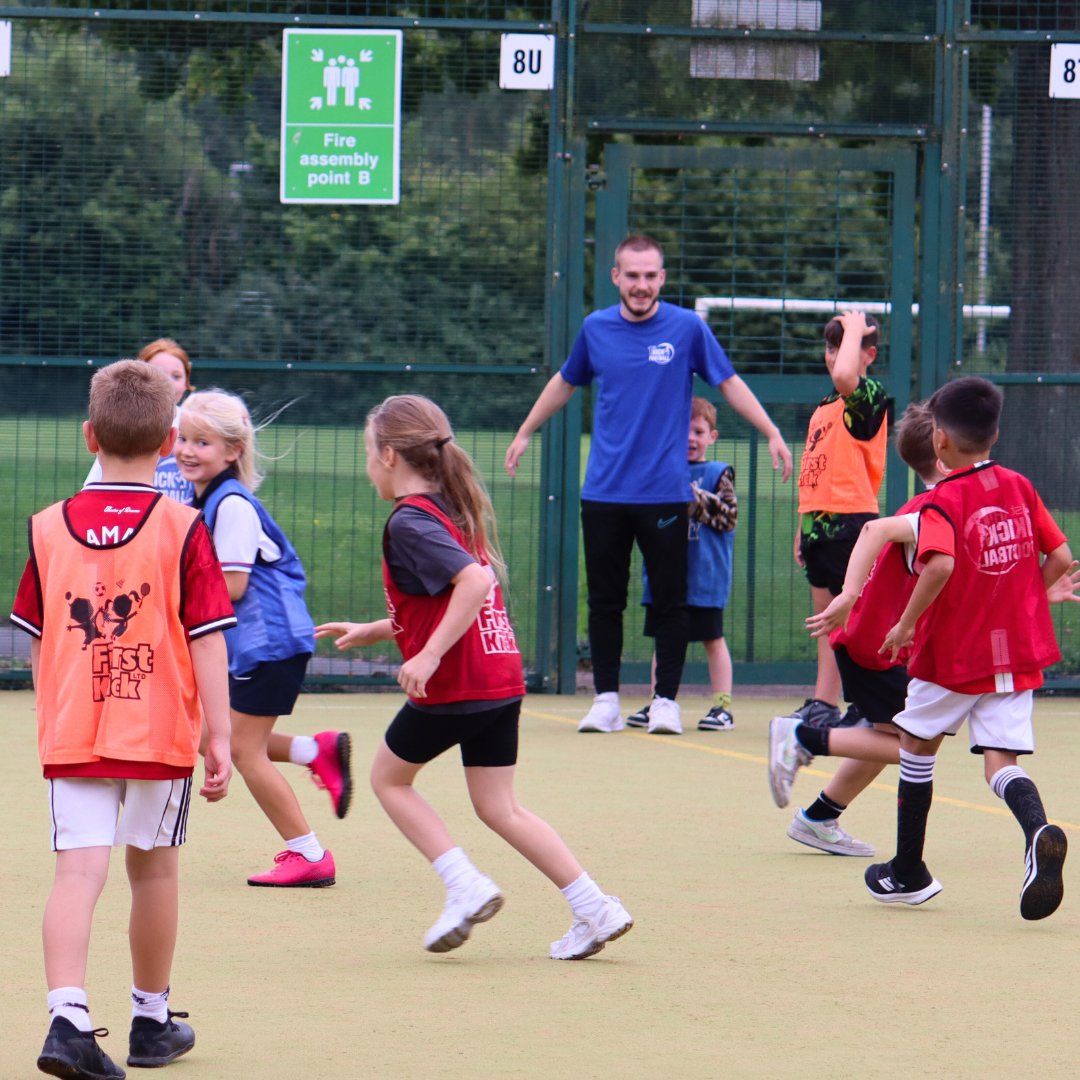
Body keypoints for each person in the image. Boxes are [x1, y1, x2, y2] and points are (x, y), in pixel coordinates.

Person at [316, 394, 633, 960]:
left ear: (389, 455)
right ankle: (595, 906)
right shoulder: (450, 509)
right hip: (499, 675)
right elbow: (441, 598)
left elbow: (472, 585)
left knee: (389, 778)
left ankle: (464, 885)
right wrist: (381, 629)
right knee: (499, 807)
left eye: (369, 454)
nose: (368, 467)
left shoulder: (411, 521)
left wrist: (429, 655)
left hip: (459, 679)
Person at [10, 361, 235, 1079]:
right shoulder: (182, 527)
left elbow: (36, 634)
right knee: (155, 871)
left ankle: (68, 1017)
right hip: (157, 731)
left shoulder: (47, 527)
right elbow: (207, 638)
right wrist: (220, 735)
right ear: (170, 442)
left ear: (88, 437)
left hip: (74, 729)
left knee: (76, 872)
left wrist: (59, 700)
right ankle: (150, 1018)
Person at [505, 234, 792, 736]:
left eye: (650, 275)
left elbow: (727, 382)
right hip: (604, 492)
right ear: (616, 276)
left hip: (664, 492)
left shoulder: (686, 328)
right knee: (605, 601)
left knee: (670, 600)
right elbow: (564, 382)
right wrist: (525, 431)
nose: (641, 285)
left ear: (662, 278)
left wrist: (770, 431)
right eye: (631, 275)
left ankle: (665, 702)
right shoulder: (595, 329)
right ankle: (607, 700)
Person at [771, 399, 1080, 858]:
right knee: (911, 745)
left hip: (886, 643)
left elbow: (987, 578)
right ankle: (803, 738)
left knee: (904, 739)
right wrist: (853, 597)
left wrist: (1029, 595)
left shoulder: (956, 500)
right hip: (876, 643)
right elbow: (878, 533)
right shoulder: (932, 508)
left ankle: (820, 816)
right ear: (945, 446)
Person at [859, 376, 1071, 917]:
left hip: (953, 654)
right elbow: (1062, 556)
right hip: (1015, 654)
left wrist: (906, 624)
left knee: (915, 746)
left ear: (939, 442)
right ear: (995, 434)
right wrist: (1033, 599)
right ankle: (1037, 830)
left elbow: (942, 564)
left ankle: (908, 870)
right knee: (1001, 761)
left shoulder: (941, 501)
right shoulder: (1021, 486)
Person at [176, 389, 350, 888]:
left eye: (202, 442)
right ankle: (315, 752)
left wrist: (174, 604)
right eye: (184, 438)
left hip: (269, 644)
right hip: (259, 644)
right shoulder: (206, 498)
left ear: (232, 450)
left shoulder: (232, 505)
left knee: (242, 751)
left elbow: (232, 584)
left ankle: (309, 854)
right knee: (213, 736)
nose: (187, 450)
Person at [788, 310, 889, 729]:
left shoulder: (867, 396)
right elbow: (816, 469)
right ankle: (823, 703)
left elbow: (847, 374)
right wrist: (802, 526)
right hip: (819, 527)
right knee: (826, 623)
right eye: (830, 347)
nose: (834, 357)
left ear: (868, 354)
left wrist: (853, 330)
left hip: (852, 525)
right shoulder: (824, 406)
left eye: (842, 346)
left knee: (856, 622)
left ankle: (867, 703)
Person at [627, 396, 738, 733]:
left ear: (711, 437)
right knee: (664, 638)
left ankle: (722, 707)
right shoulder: (661, 471)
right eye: (683, 431)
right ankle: (660, 699)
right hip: (664, 577)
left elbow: (728, 518)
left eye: (699, 431)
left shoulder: (718, 474)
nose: (690, 438)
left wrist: (691, 497)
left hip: (704, 578)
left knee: (712, 639)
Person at [85, 338, 197, 505]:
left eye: (176, 376)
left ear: (187, 383)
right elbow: (93, 489)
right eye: (160, 374)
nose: (168, 384)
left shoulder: (196, 424)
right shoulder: (124, 424)